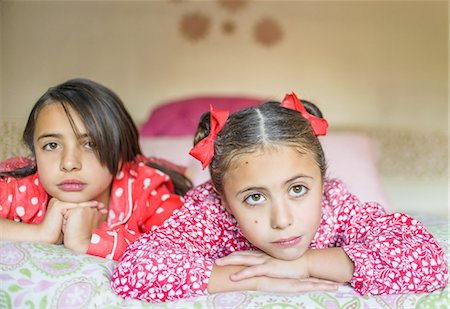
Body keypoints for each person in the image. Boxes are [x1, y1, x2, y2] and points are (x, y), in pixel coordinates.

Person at [111, 93, 448, 302]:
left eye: (298, 189)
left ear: (322, 181)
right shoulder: (209, 213)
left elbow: (426, 262)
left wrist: (302, 265)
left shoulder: (336, 204)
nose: (283, 220)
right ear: (223, 198)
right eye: (255, 197)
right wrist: (258, 279)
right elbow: (137, 270)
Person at [0, 78, 192, 260]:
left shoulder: (146, 191)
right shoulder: (23, 189)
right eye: (51, 145)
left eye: (90, 144)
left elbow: (181, 249)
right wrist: (40, 233)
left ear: (119, 156)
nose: (68, 163)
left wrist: (88, 242)